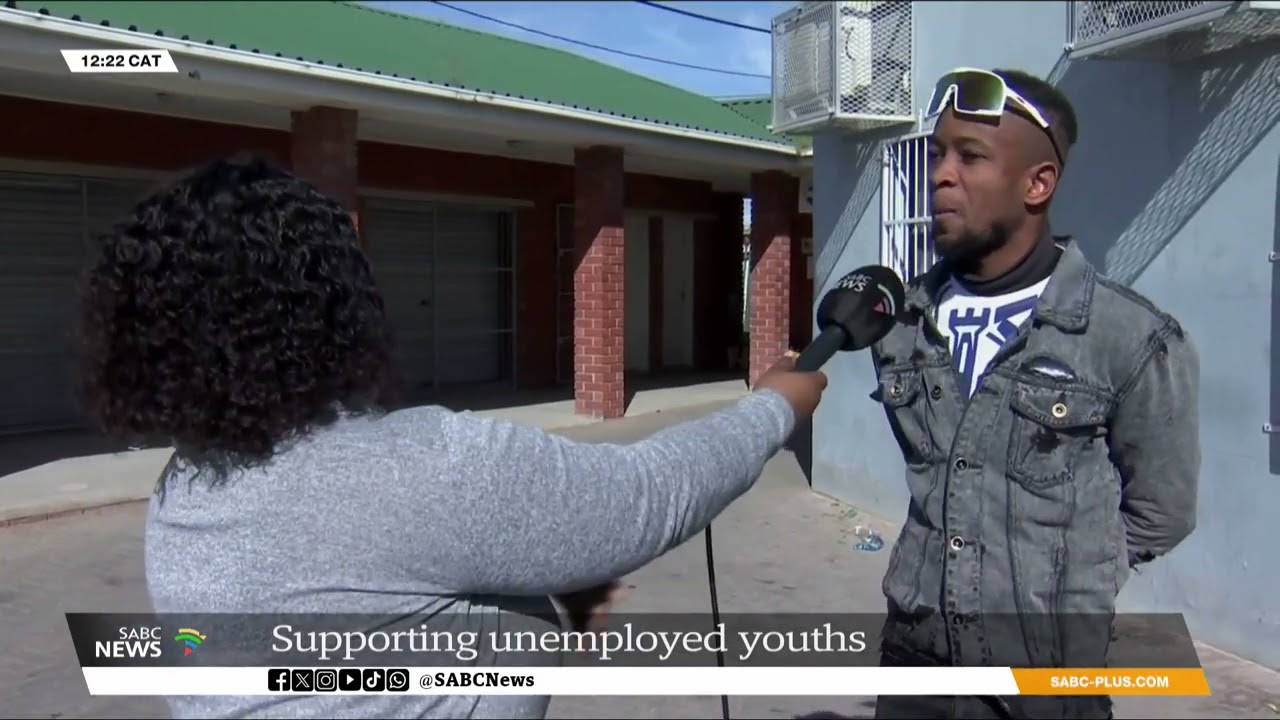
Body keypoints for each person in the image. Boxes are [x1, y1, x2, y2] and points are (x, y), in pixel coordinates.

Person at [74, 154, 829, 719]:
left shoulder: (185, 491)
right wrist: (773, 408)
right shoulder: (416, 468)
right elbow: (647, 496)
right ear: (329, 302)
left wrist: (545, 602)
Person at [868, 68, 1200, 719]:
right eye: (938, 154)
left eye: (970, 157)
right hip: (916, 670)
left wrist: (1064, 595)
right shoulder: (902, 324)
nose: (940, 175)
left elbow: (1163, 512)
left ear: (1037, 183)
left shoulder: (1130, 338)